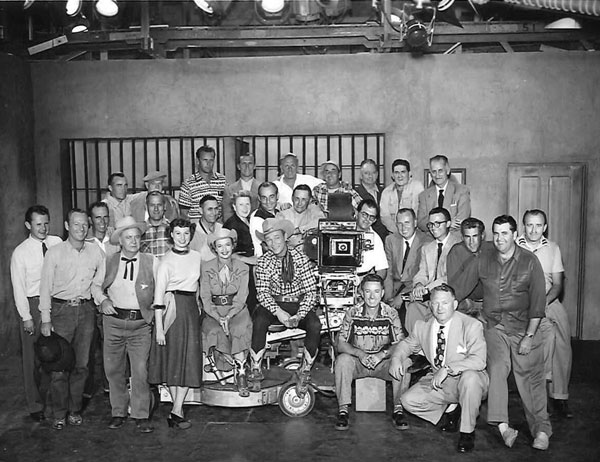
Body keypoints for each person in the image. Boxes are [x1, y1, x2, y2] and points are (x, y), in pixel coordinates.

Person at [455, 215, 551, 450]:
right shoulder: (484, 259)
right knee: (497, 367)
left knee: (530, 376)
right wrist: (441, 300)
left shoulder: (530, 261)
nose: (499, 238)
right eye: (496, 233)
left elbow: (538, 304)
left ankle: (541, 430)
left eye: (504, 233)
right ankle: (503, 425)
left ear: (514, 234)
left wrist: (529, 337)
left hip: (522, 327)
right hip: (495, 326)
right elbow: (459, 288)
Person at [389, 284, 489, 453]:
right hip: (440, 383)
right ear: (430, 305)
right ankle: (453, 408)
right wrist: (396, 359)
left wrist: (448, 368)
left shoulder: (471, 325)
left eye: (445, 303)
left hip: (469, 380)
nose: (440, 307)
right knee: (408, 401)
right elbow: (406, 345)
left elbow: (479, 360)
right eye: (435, 303)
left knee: (470, 379)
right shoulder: (423, 326)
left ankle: (467, 432)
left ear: (455, 305)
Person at [39, 208, 106, 430]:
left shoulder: (96, 252)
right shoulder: (55, 252)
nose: (81, 228)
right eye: (75, 224)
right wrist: (46, 318)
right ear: (67, 226)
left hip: (86, 311)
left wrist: (102, 300)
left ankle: (74, 410)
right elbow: (45, 288)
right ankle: (59, 412)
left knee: (82, 365)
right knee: (59, 366)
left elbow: (97, 285)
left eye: (84, 224)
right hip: (61, 312)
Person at [97, 216, 157, 433]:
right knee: (113, 370)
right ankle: (118, 412)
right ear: (120, 240)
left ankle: (141, 414)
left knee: (140, 370)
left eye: (136, 237)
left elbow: (161, 290)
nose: (133, 241)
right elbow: (96, 286)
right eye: (128, 237)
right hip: (113, 323)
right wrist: (103, 300)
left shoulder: (151, 261)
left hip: (141, 325)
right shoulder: (109, 261)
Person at [250, 218, 321, 396]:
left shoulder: (301, 259)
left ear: (285, 237)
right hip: (275, 303)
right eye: (269, 240)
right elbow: (263, 293)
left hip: (298, 303)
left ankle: (305, 370)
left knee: (315, 325)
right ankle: (256, 369)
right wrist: (278, 311)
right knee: (259, 320)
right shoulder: (264, 262)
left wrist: (299, 315)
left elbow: (311, 292)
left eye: (277, 238)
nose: (274, 244)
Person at [334, 274, 411, 431]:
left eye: (376, 291)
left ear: (382, 293)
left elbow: (400, 344)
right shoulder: (352, 312)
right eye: (367, 291)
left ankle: (398, 408)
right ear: (361, 292)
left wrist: (381, 355)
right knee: (342, 360)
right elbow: (340, 344)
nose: (372, 296)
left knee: (404, 362)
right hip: (358, 363)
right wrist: (359, 354)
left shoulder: (391, 313)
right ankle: (343, 410)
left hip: (382, 363)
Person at [517, 209, 572, 419]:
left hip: (548, 299)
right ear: (524, 226)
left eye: (538, 225)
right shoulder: (516, 245)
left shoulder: (553, 248)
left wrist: (543, 303)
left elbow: (558, 285)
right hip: (523, 302)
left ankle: (559, 396)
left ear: (545, 228)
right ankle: (534, 395)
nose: (533, 229)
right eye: (529, 225)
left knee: (562, 340)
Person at [148, 218, 202, 430]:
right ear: (171, 235)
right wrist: (160, 328)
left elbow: (197, 285)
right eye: (178, 233)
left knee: (188, 359)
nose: (182, 238)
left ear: (191, 235)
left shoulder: (197, 257)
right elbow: (158, 297)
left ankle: (176, 409)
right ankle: (176, 410)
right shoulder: (165, 261)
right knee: (173, 360)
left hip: (190, 309)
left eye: (186, 233)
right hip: (172, 310)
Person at [10, 205, 62, 421]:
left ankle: (59, 401)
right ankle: (35, 406)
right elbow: (18, 288)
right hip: (33, 305)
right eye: (38, 224)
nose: (43, 228)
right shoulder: (20, 252)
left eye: (46, 223)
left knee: (59, 354)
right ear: (28, 225)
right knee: (33, 360)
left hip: (57, 302)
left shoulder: (57, 243)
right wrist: (26, 317)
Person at [200, 228, 252, 397]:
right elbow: (205, 297)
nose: (224, 249)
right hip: (214, 312)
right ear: (214, 248)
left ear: (233, 246)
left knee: (238, 329)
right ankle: (226, 362)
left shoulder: (243, 267)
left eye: (227, 245)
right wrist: (218, 316)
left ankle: (242, 373)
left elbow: (242, 296)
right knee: (214, 331)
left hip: (236, 310)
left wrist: (229, 316)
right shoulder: (206, 267)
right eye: (220, 246)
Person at [405, 207, 461, 333]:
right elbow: (422, 272)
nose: (433, 227)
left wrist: (427, 289)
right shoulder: (427, 248)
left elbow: (450, 277)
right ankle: (416, 347)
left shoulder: (458, 245)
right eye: (430, 224)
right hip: (428, 295)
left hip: (447, 295)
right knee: (413, 307)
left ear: (448, 223)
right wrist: (419, 284)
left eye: (437, 223)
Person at [383, 208, 430, 310]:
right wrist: (388, 298)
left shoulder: (426, 241)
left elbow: (422, 274)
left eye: (407, 222)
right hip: (393, 287)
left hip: (413, 288)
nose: (403, 227)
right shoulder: (390, 240)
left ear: (415, 223)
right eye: (399, 223)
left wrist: (402, 297)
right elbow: (388, 271)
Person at [447, 218, 493, 319]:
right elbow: (455, 289)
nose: (471, 242)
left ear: (482, 236)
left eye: (475, 236)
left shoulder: (492, 249)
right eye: (467, 237)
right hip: (467, 303)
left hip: (491, 303)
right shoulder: (456, 252)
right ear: (462, 237)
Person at [416, 155, 470, 234]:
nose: (437, 175)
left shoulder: (462, 191)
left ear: (447, 170)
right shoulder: (423, 195)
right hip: (430, 240)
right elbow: (421, 222)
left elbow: (462, 220)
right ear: (430, 173)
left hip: (454, 238)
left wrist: (433, 223)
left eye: (440, 170)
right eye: (434, 171)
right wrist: (447, 223)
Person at [223, 191, 257, 315]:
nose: (245, 208)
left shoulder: (250, 221)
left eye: (247, 204)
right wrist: (250, 260)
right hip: (240, 272)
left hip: (251, 270)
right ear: (234, 207)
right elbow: (225, 253)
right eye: (241, 204)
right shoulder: (231, 225)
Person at [178, 145, 228, 222]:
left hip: (218, 228)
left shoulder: (222, 181)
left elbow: (227, 208)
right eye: (205, 160)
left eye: (211, 160)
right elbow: (184, 213)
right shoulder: (188, 184)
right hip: (196, 229)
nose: (208, 163)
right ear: (197, 161)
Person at [380, 159, 424, 234]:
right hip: (393, 233)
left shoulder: (417, 187)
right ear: (393, 175)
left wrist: (406, 230)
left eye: (403, 172)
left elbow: (417, 212)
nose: (400, 176)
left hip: (414, 232)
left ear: (409, 173)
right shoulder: (386, 192)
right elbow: (385, 217)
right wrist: (397, 231)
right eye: (396, 172)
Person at [276, 184, 325, 249]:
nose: (299, 203)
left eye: (304, 199)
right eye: (297, 199)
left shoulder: (313, 211)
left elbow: (321, 222)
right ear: (292, 198)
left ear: (310, 200)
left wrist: (299, 230)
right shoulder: (283, 215)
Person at [354, 159, 388, 243]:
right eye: (366, 173)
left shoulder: (385, 192)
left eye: (373, 173)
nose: (370, 176)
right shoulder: (354, 194)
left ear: (377, 174)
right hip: (364, 238)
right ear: (361, 176)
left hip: (385, 237)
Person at [221, 153, 261, 222]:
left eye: (250, 163)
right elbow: (227, 215)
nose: (247, 166)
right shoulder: (229, 190)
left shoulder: (261, 188)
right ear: (238, 166)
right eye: (244, 164)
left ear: (254, 166)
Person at [355, 199, 388, 280]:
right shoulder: (343, 232)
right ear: (356, 213)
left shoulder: (376, 239)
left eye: (371, 217)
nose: (367, 219)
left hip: (365, 279)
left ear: (375, 220)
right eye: (364, 214)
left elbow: (382, 269)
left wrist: (373, 284)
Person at [249, 182, 280, 257]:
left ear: (277, 196)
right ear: (259, 198)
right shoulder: (257, 218)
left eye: (271, 197)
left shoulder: (277, 212)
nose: (268, 201)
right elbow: (268, 247)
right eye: (264, 198)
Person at [189, 194, 222, 262]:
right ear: (201, 210)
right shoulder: (193, 232)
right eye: (210, 209)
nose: (214, 213)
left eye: (216, 209)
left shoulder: (222, 229)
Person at [140, 191, 172, 258]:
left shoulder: (172, 229)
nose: (156, 209)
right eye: (152, 205)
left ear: (165, 206)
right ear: (146, 207)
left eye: (159, 205)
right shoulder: (140, 230)